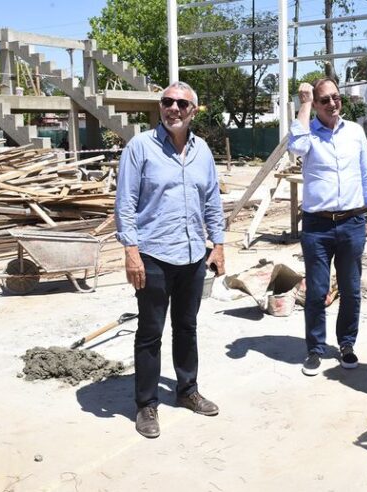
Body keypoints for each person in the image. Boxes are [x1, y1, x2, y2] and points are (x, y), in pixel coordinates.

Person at [115, 81, 226, 439]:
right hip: (154, 255)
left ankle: (187, 390)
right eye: (167, 102)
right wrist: (131, 252)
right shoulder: (140, 147)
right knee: (150, 332)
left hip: (193, 254)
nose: (173, 108)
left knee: (187, 326)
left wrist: (219, 244)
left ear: (193, 110)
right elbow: (126, 204)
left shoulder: (203, 151)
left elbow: (212, 200)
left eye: (181, 103)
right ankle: (146, 404)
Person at [288, 78, 367, 377]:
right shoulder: (308, 133)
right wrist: (302, 105)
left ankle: (346, 344)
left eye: (336, 98)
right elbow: (296, 145)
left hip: (352, 222)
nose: (332, 104)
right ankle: (315, 348)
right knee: (316, 290)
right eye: (324, 100)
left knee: (352, 290)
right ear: (315, 104)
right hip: (317, 226)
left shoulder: (354, 132)